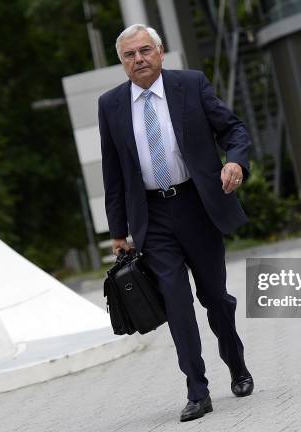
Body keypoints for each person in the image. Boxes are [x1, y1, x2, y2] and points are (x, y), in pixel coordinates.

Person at [98, 23, 254, 422]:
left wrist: (234, 161)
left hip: (197, 207)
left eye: (145, 51)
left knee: (215, 298)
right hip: (153, 219)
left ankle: (236, 365)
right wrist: (118, 232)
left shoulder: (191, 85)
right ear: (122, 62)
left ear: (161, 52)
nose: (139, 59)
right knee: (177, 304)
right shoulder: (111, 105)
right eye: (130, 55)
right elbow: (112, 172)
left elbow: (233, 129)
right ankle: (197, 390)